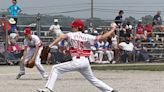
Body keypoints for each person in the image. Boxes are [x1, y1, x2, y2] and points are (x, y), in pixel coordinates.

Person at [37, 19, 117, 92]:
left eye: (73, 26)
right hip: (85, 62)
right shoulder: (87, 36)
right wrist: (113, 29)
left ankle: (48, 89)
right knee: (92, 79)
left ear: (78, 27)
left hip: (77, 61)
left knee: (55, 68)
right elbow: (102, 37)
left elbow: (61, 36)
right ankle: (110, 90)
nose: (72, 27)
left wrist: (50, 45)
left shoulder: (71, 34)